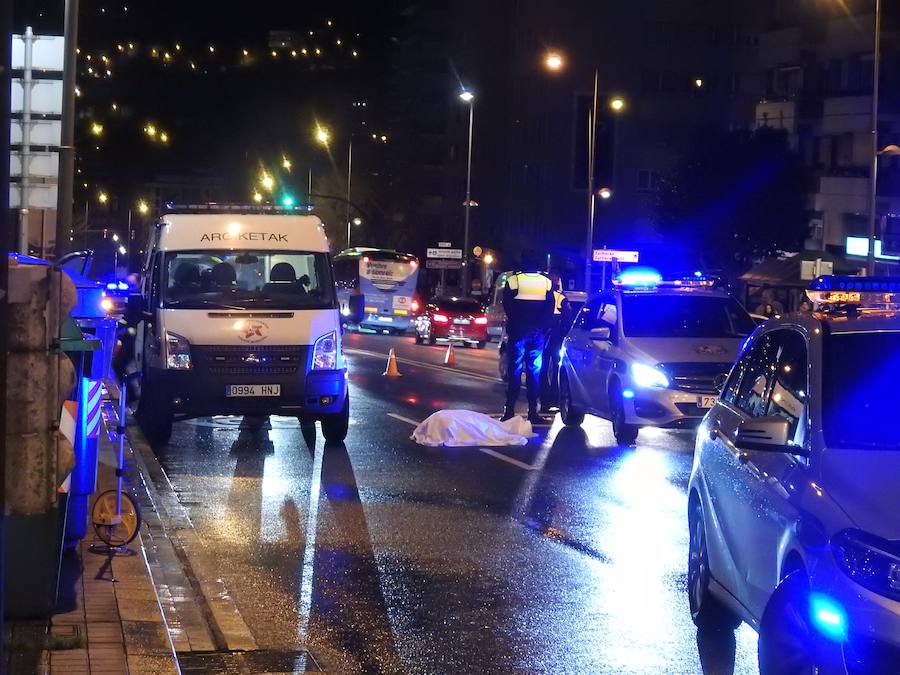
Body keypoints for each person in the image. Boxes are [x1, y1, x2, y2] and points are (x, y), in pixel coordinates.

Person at [501, 254, 555, 424]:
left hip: (518, 332)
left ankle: (509, 411)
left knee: (514, 371)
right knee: (534, 372)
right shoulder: (545, 282)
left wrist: (516, 322)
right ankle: (533, 412)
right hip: (537, 334)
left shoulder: (513, 281)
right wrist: (542, 327)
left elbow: (506, 304)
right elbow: (550, 307)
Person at [540, 271, 570, 414]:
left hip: (543, 337)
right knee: (557, 370)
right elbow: (568, 320)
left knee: (542, 370)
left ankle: (544, 401)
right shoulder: (561, 297)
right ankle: (555, 399)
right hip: (556, 339)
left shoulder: (542, 296)